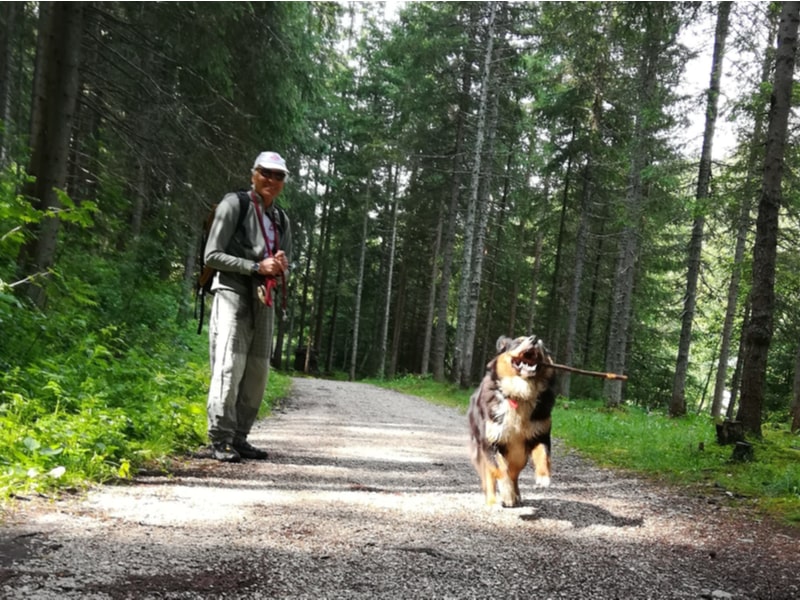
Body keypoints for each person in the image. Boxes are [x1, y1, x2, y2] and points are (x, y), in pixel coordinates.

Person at [203, 151, 292, 462]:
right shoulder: (234, 204)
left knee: (256, 371)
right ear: (254, 173)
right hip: (232, 293)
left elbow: (283, 264)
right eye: (266, 173)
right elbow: (211, 255)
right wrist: (256, 267)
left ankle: (240, 437)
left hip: (263, 299)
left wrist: (279, 267)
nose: (272, 180)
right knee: (229, 365)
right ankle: (220, 438)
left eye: (279, 176)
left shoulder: (280, 219)